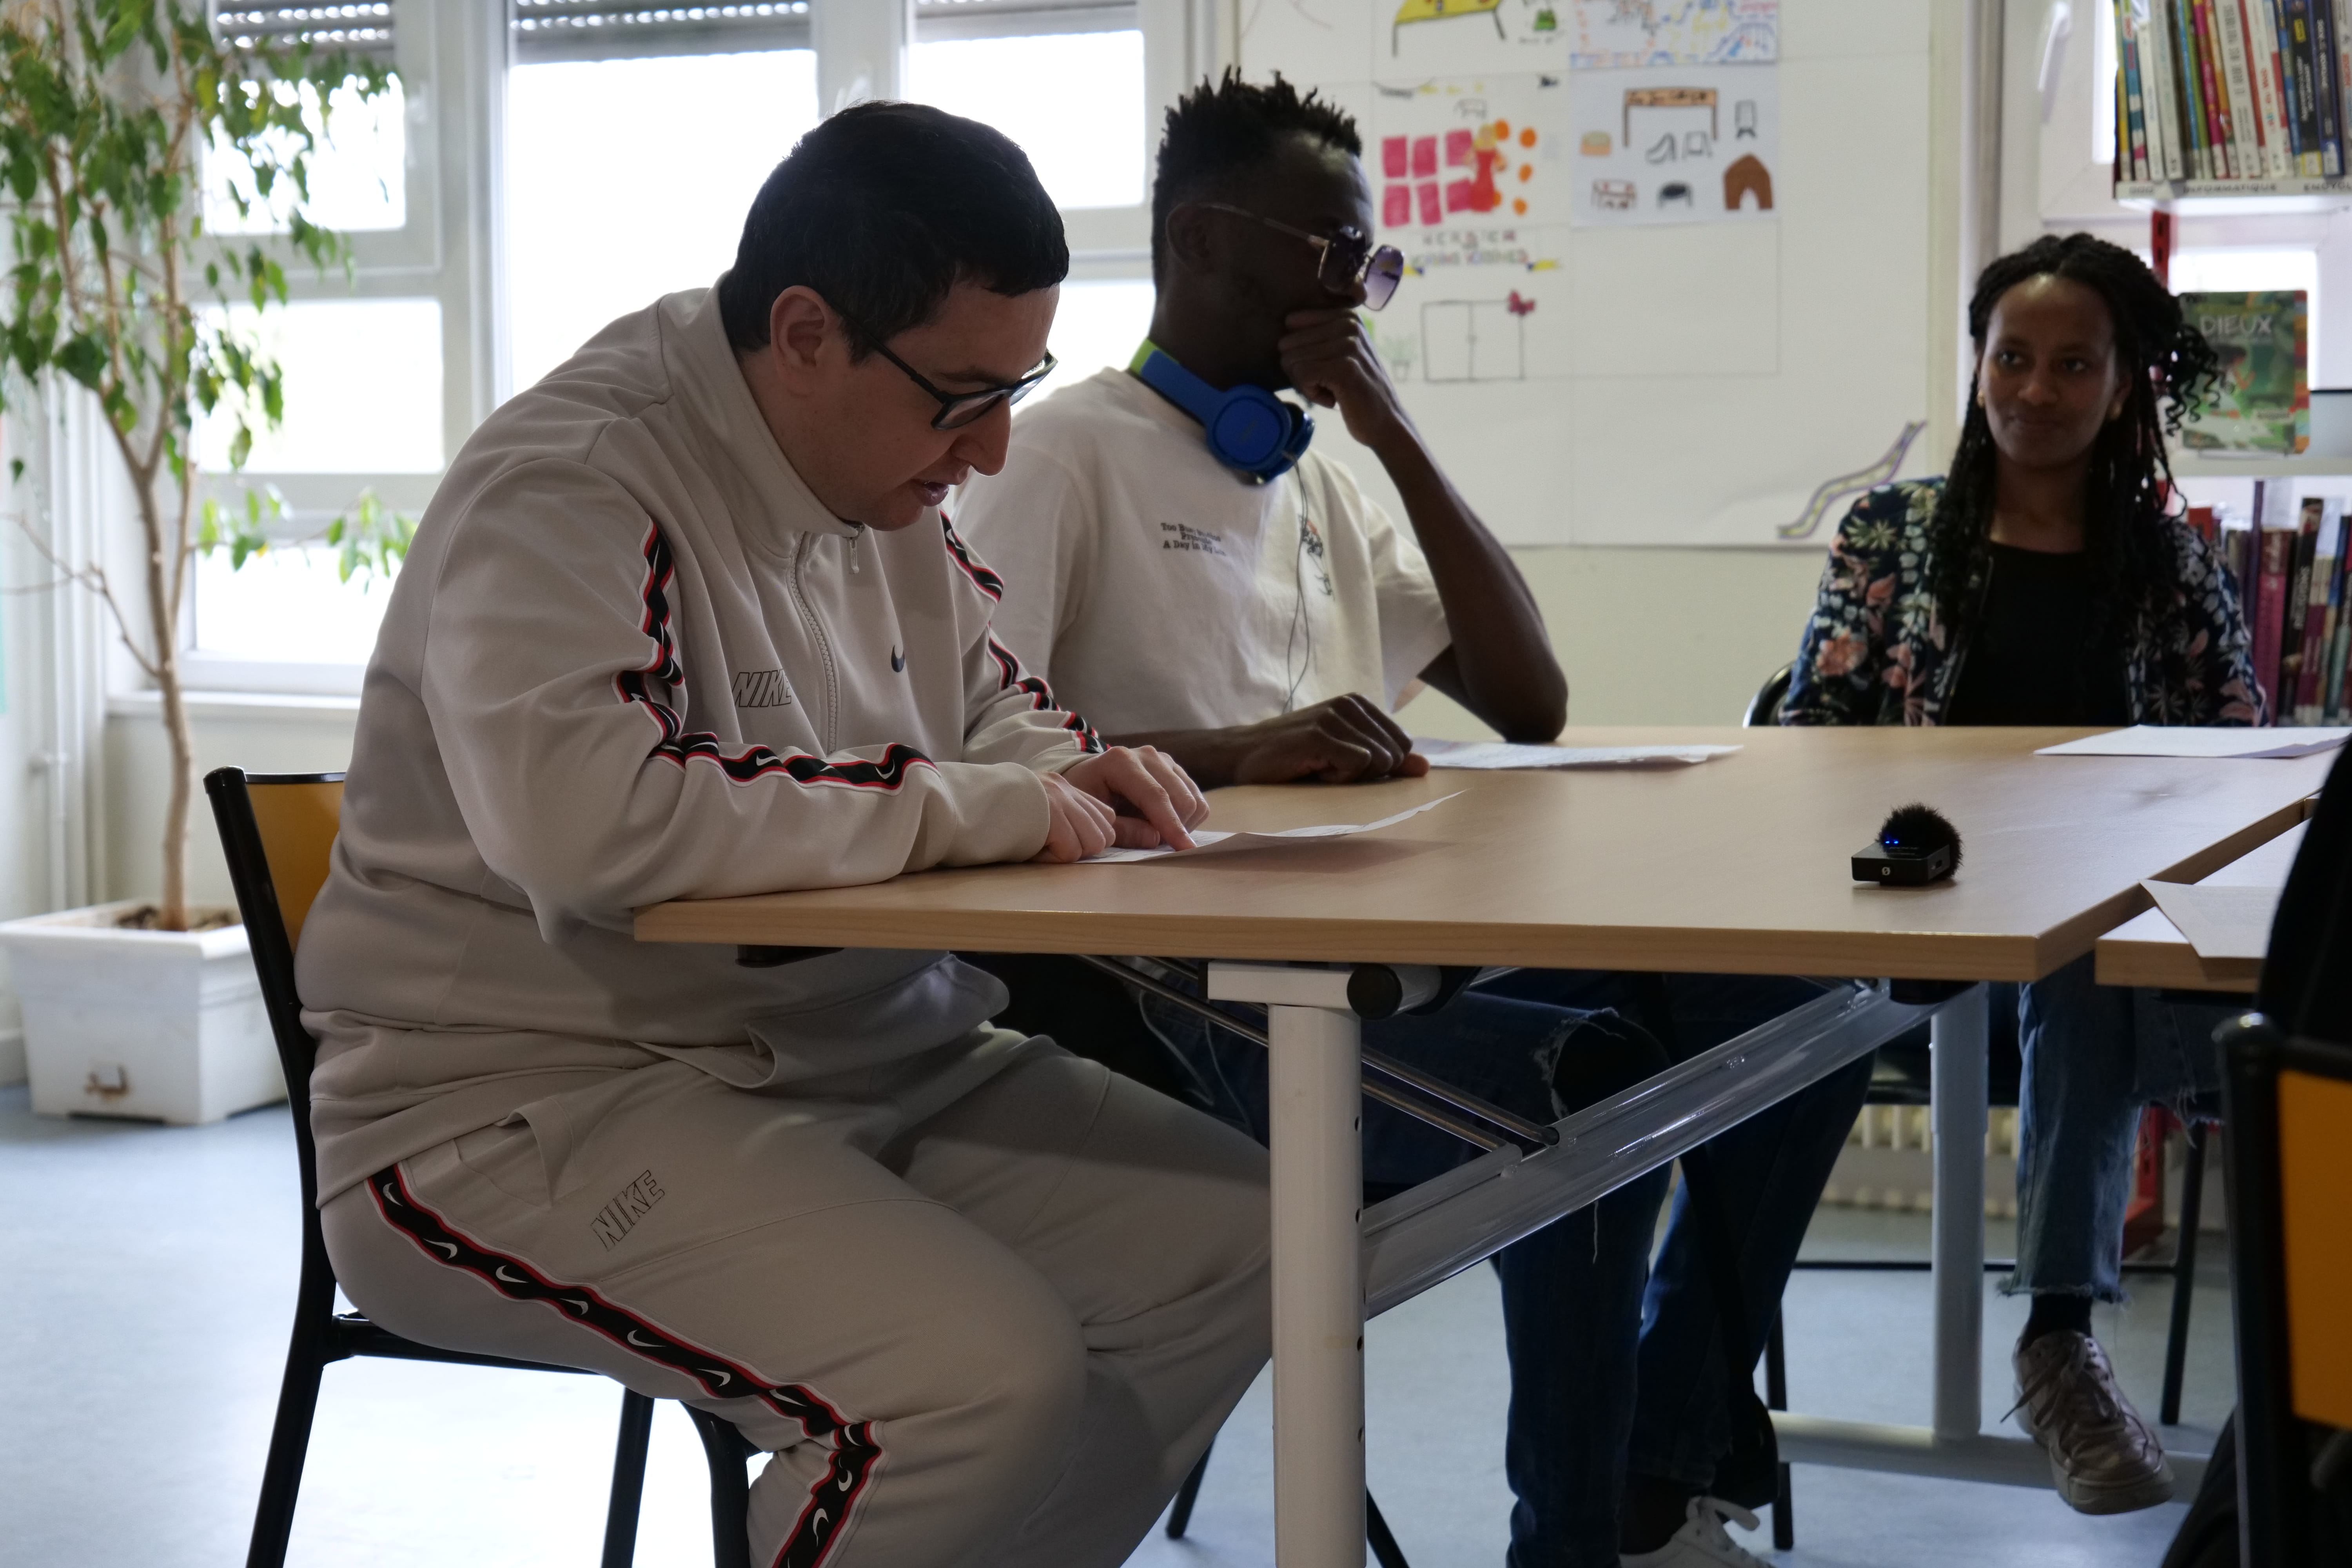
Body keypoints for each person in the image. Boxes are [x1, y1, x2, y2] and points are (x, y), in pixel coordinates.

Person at [294, 103, 1275, 1568]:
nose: (993, 447)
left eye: (1019, 387)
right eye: (962, 398)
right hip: (522, 1107)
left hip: (859, 1050)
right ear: (808, 333)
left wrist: (1078, 772)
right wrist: (985, 805)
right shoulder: (576, 479)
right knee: (970, 1387)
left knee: (1248, 1245)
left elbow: (991, 707)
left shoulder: (880, 468)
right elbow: (592, 825)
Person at [954, 71, 1870, 1568]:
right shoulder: (1063, 454)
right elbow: (975, 749)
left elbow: (1531, 700)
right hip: (1188, 1001)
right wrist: (1247, 752)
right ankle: (1572, 1542)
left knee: (1799, 1002)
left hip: (1382, 953)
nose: (1352, 290)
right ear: (1200, 240)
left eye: (1369, 261)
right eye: (1328, 252)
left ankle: (1655, 1467)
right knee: (1585, 1080)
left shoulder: (1312, 477)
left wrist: (1387, 430)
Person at [1782, 231, 2261, 1516]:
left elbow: (2244, 756)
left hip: (2095, 954)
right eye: (2013, 358)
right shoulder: (1893, 534)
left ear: (2123, 385)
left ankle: (2060, 1343)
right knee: (2096, 966)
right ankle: (2064, 1336)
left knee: (2090, 954)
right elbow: (1809, 748)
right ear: (1979, 363)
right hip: (1911, 910)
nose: (2037, 391)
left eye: (2074, 364)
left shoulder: (2164, 562)